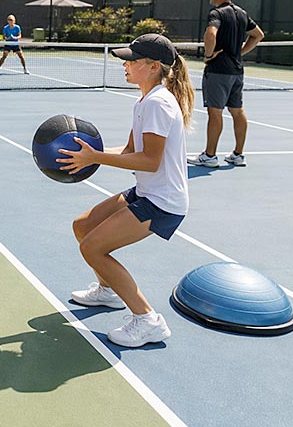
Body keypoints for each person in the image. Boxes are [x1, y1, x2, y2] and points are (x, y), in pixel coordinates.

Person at [60, 33, 194, 347]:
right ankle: (107, 291)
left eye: (132, 59)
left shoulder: (159, 103)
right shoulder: (146, 100)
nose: (126, 64)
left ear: (152, 66)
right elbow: (131, 150)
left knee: (92, 248)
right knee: (82, 226)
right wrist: (88, 155)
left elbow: (149, 161)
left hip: (163, 202)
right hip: (147, 193)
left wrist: (95, 158)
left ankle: (148, 320)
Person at [187, 0, 264, 168]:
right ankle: (238, 154)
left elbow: (211, 33)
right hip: (237, 72)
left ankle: (210, 156)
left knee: (215, 113)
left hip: (218, 71)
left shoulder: (216, 13)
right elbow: (258, 35)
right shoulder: (242, 13)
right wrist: (240, 52)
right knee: (237, 112)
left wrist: (208, 54)